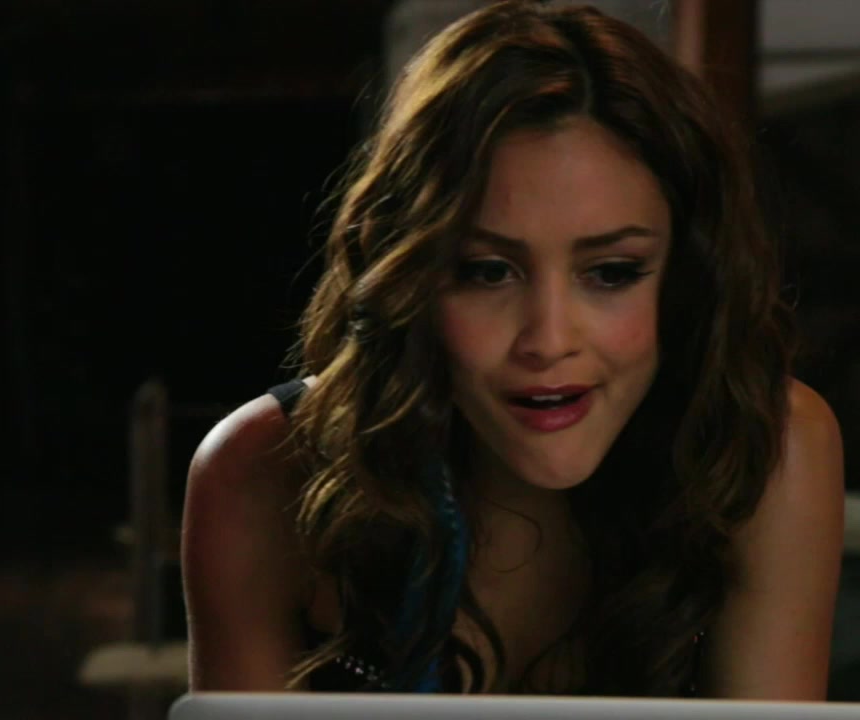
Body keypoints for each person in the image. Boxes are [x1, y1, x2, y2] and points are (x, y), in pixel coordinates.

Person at [183, 0, 844, 699]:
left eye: (611, 273)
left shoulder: (765, 447)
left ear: (686, 280)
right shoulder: (261, 472)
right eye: (487, 272)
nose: (549, 341)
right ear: (412, 279)